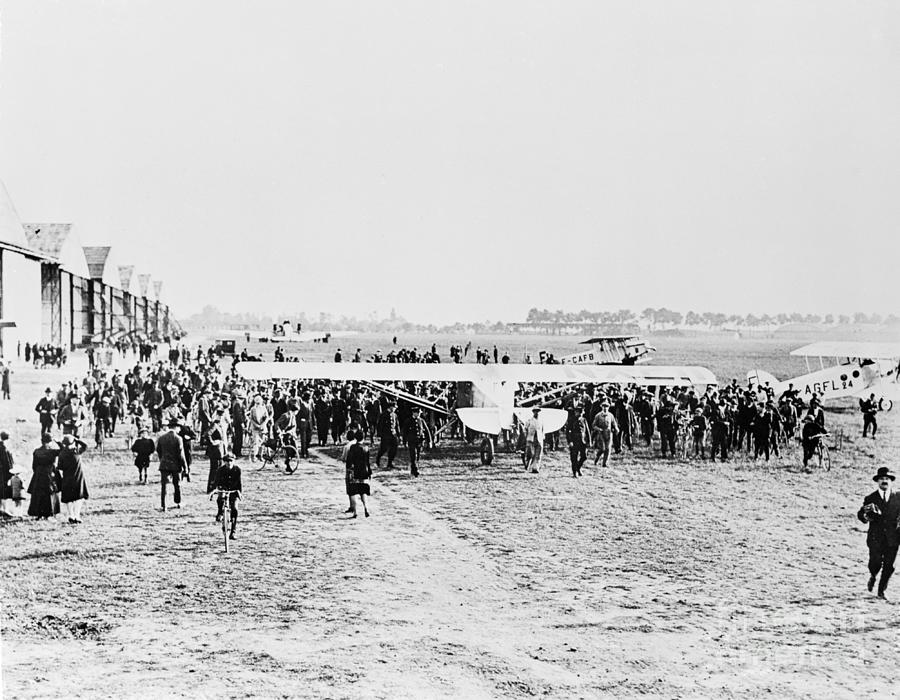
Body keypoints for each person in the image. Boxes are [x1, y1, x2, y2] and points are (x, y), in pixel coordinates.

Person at [858, 467, 900, 599]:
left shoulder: (898, 497)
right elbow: (861, 514)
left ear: (891, 481)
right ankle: (873, 576)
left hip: (893, 537)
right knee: (875, 563)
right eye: (882, 479)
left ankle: (881, 591)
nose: (884, 481)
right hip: (876, 537)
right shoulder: (871, 498)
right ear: (877, 481)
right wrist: (865, 516)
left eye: (887, 479)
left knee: (889, 566)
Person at [27, 433, 61, 519]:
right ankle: (49, 513)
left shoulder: (36, 451)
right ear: (50, 441)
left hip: (38, 473)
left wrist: (37, 472)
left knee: (38, 494)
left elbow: (34, 465)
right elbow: (63, 450)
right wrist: (58, 442)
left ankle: (38, 513)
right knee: (50, 493)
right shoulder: (52, 451)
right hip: (50, 473)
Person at [156, 418, 187, 511]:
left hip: (164, 464)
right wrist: (185, 467)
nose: (180, 430)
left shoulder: (161, 437)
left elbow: (158, 450)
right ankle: (178, 502)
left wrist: (162, 459)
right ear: (176, 427)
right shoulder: (178, 438)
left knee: (164, 485)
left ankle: (164, 505)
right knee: (177, 485)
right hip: (175, 465)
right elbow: (181, 454)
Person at [58, 435, 89, 524]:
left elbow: (60, 467)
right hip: (78, 477)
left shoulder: (62, 454)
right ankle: (77, 515)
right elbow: (85, 446)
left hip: (67, 478)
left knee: (69, 498)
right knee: (79, 498)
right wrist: (77, 440)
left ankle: (71, 515)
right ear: (73, 443)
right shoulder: (76, 452)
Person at [213, 453, 242, 540]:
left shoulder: (237, 470)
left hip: (233, 490)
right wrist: (218, 489)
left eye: (231, 461)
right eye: (227, 461)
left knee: (235, 509)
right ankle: (220, 512)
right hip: (224, 489)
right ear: (224, 462)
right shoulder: (220, 470)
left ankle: (233, 531)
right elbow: (217, 482)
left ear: (234, 461)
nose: (229, 463)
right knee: (220, 499)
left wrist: (239, 492)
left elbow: (239, 483)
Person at [345, 430, 371, 518]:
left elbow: (349, 460)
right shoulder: (366, 448)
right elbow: (368, 462)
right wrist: (369, 472)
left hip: (354, 471)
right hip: (364, 472)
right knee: (363, 491)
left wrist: (349, 469)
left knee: (353, 492)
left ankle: (355, 512)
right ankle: (366, 508)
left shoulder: (353, 447)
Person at [591, 401, 619, 468]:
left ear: (608, 408)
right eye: (604, 407)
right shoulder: (598, 415)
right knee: (602, 448)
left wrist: (616, 428)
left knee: (608, 449)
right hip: (601, 434)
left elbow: (614, 423)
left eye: (606, 407)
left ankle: (605, 463)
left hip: (609, 433)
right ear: (601, 407)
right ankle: (597, 459)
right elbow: (593, 425)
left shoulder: (610, 415)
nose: (605, 408)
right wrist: (598, 429)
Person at [566, 406, 589, 477]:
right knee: (574, 457)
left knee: (584, 456)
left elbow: (587, 431)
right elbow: (568, 432)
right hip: (574, 440)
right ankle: (574, 472)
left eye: (581, 413)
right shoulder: (571, 420)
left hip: (582, 441)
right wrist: (570, 441)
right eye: (579, 412)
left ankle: (578, 468)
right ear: (576, 412)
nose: (580, 414)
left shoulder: (584, 420)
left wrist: (589, 441)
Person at [524, 407, 545, 473]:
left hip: (539, 438)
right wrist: (526, 437)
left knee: (538, 454)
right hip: (531, 438)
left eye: (538, 412)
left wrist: (543, 437)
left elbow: (543, 429)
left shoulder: (541, 420)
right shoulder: (529, 420)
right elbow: (525, 429)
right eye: (535, 412)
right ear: (533, 412)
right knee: (530, 453)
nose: (537, 413)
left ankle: (535, 467)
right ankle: (527, 463)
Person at [0, 431, 15, 515]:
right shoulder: (5, 449)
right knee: (4, 491)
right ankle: (4, 509)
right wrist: (12, 473)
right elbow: (8, 463)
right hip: (4, 473)